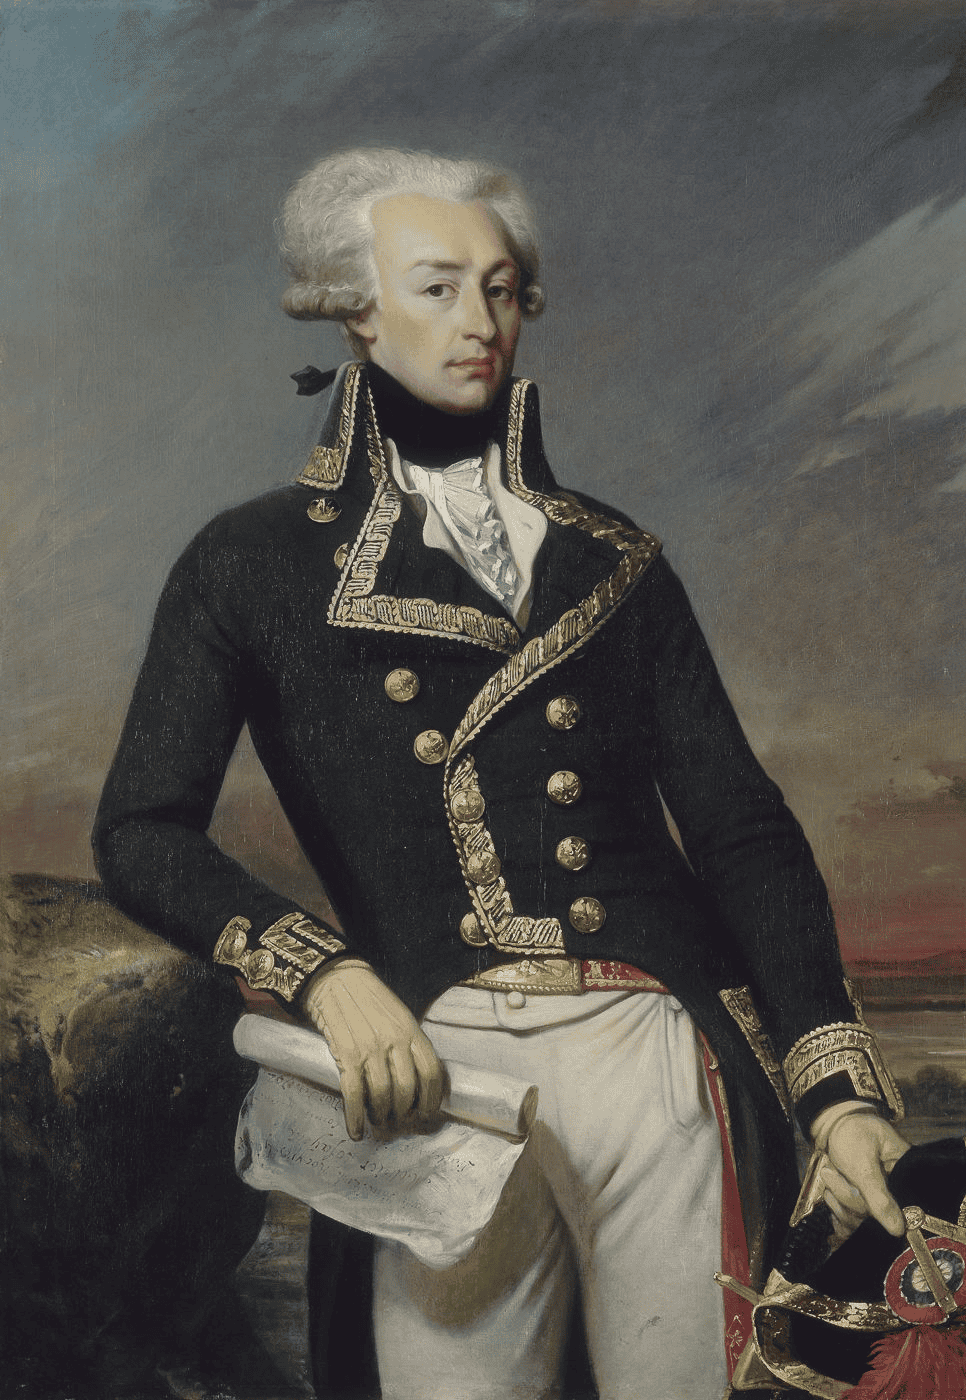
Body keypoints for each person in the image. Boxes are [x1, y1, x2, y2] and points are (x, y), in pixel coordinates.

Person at [94, 148, 910, 1400]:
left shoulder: (617, 557)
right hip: (433, 1070)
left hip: (656, 1053)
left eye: (501, 287)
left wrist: (838, 1088)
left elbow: (741, 827)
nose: (478, 323)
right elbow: (143, 828)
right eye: (436, 288)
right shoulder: (248, 561)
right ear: (356, 311)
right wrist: (325, 972)